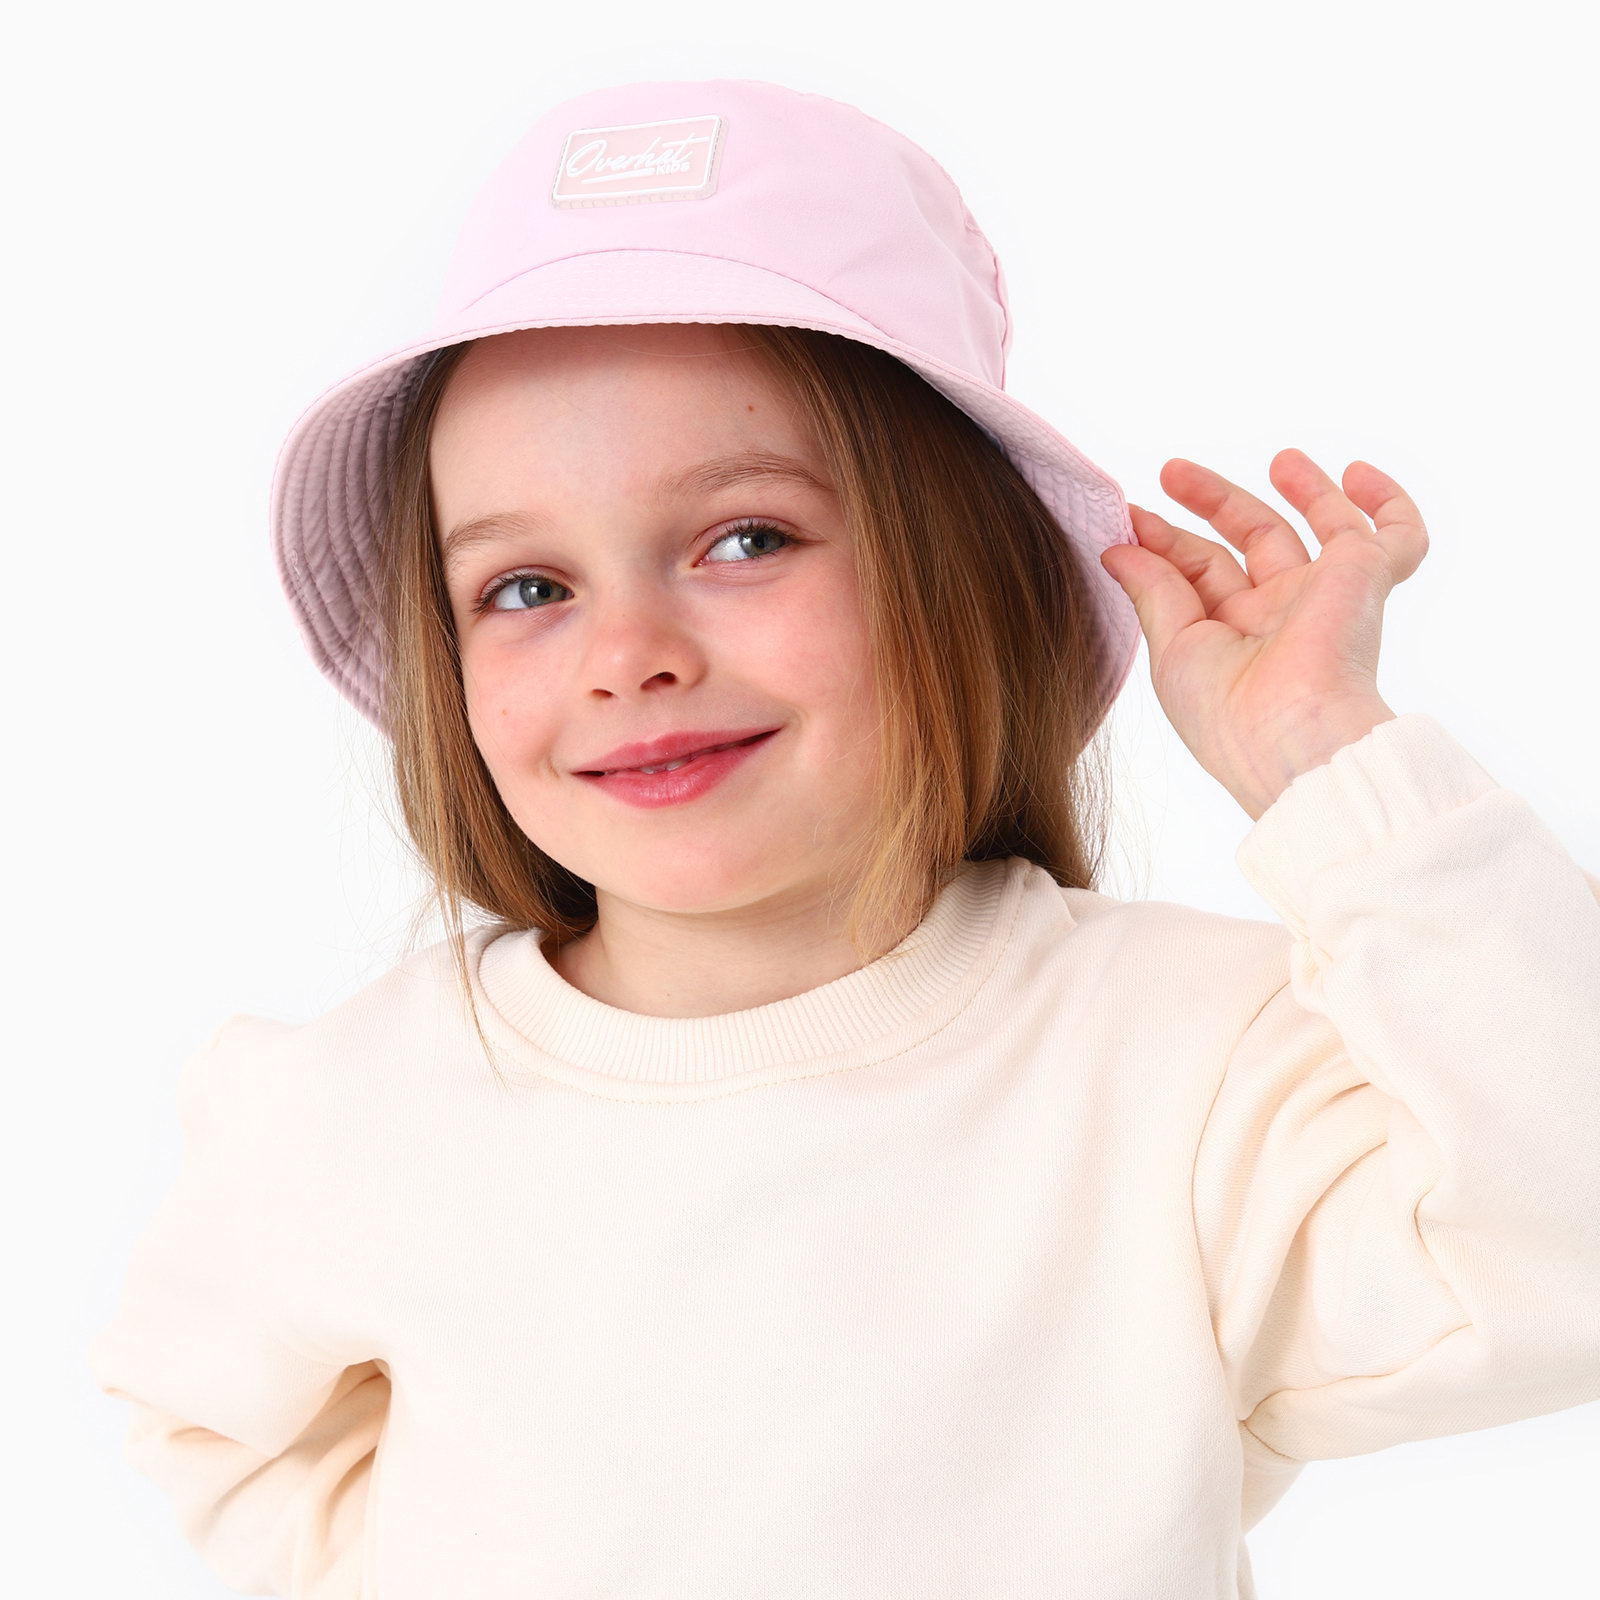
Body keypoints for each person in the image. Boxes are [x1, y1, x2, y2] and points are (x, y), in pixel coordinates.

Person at [87, 77, 1600, 1600]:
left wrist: (1325, 760)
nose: (627, 656)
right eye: (527, 588)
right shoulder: (345, 1107)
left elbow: (1566, 1257)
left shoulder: (1186, 1064)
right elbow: (216, 1426)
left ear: (964, 576)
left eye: (743, 540)